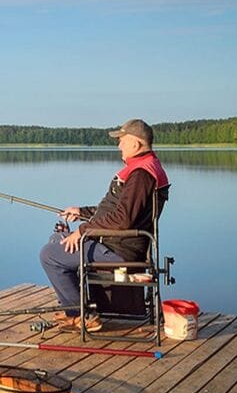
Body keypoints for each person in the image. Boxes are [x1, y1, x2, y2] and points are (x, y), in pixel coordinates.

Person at [39, 119, 169, 331]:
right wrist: (82, 212)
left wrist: (83, 230)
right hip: (114, 242)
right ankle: (75, 309)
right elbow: (117, 211)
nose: (119, 146)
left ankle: (82, 315)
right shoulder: (144, 168)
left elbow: (122, 219)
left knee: (49, 254)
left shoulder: (141, 174)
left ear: (136, 144)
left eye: (122, 141)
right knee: (57, 240)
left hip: (119, 250)